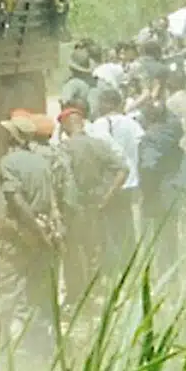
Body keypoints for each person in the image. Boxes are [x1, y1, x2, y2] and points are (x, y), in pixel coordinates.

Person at [0, 113, 64, 354]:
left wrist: (33, 230)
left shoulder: (9, 162)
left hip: (18, 239)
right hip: (39, 239)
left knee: (1, 292)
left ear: (12, 137)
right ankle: (41, 349)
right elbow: (51, 201)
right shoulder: (41, 162)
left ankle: (0, 350)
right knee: (36, 293)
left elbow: (15, 200)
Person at [56, 104, 128, 304]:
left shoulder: (64, 149)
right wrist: (108, 196)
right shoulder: (99, 145)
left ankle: (76, 298)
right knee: (94, 250)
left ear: (66, 127)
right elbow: (123, 169)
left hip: (73, 210)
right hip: (97, 207)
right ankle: (96, 294)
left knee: (73, 255)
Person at [86, 86, 143, 271]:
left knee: (108, 230)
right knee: (126, 227)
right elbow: (141, 144)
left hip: (109, 185)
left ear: (106, 103)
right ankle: (129, 266)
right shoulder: (132, 124)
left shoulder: (100, 125)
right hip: (130, 182)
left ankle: (112, 270)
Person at [137, 97, 185, 272]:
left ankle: (159, 279)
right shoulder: (172, 132)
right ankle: (173, 278)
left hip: (157, 195)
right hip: (173, 191)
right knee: (171, 240)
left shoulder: (150, 139)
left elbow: (149, 167)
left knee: (153, 242)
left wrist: (147, 195)